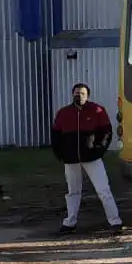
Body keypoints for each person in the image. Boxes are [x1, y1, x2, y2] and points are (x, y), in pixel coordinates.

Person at [51, 83, 122, 235]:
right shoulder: (63, 113)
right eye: (77, 93)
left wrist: (98, 150)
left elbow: (106, 133)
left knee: (103, 190)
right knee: (72, 192)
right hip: (70, 159)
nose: (80, 96)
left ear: (87, 95)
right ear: (72, 95)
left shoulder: (97, 110)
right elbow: (56, 135)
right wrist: (60, 154)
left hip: (92, 158)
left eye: (82, 93)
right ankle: (70, 223)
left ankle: (115, 221)